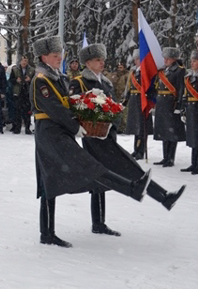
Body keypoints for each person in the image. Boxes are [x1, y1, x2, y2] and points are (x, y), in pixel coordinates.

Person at [31, 36, 152, 248]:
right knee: (85, 167)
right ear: (44, 57)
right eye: (54, 55)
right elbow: (54, 108)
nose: (60, 58)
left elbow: (67, 104)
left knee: (54, 180)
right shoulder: (41, 79)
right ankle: (131, 188)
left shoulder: (56, 77)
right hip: (50, 133)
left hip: (59, 132)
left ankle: (47, 232)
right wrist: (75, 125)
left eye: (60, 55)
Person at [70, 43, 185, 237]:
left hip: (107, 134)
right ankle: (163, 197)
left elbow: (112, 105)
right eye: (98, 60)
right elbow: (74, 105)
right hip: (93, 138)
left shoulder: (105, 82)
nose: (102, 62)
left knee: (103, 177)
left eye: (102, 59)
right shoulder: (80, 82)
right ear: (88, 62)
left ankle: (99, 222)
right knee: (128, 169)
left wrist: (112, 120)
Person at [152, 47, 186, 167]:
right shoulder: (163, 71)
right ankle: (165, 157)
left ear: (174, 59)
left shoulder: (180, 71)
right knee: (163, 131)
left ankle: (170, 158)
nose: (165, 60)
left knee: (172, 132)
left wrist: (179, 105)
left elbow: (181, 89)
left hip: (171, 104)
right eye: (165, 58)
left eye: (168, 58)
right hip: (162, 104)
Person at [123, 50, 154, 160]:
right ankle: (136, 149)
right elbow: (129, 87)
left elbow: (151, 88)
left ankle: (141, 150)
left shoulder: (145, 72)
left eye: (138, 59)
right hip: (134, 100)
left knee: (142, 127)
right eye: (136, 59)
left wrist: (150, 102)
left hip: (142, 101)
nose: (136, 61)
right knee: (136, 126)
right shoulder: (133, 71)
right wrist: (125, 99)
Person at [9, 55, 35, 134]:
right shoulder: (15, 69)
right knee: (17, 111)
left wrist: (30, 80)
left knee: (27, 112)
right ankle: (17, 128)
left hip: (27, 93)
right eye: (23, 61)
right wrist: (16, 80)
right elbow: (11, 80)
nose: (24, 62)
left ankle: (27, 128)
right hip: (18, 92)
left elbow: (35, 81)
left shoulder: (32, 70)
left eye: (26, 61)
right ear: (20, 62)